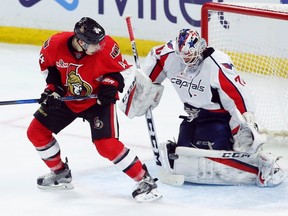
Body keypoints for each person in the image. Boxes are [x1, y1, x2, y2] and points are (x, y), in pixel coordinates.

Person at [119, 28, 288, 187]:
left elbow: (236, 94)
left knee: (210, 149)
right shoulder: (168, 55)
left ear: (200, 48)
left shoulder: (217, 63)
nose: (186, 60)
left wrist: (246, 120)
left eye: (189, 56)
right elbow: (154, 61)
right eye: (182, 56)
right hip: (193, 116)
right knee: (183, 154)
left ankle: (263, 167)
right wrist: (142, 90)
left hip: (219, 118)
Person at [26, 17, 162, 202]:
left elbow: (122, 70)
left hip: (98, 102)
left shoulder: (106, 48)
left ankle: (144, 180)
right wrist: (53, 91)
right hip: (68, 97)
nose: (101, 46)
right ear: (81, 42)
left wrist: (110, 84)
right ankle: (60, 173)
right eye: (95, 44)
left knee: (106, 145)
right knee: (36, 132)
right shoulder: (54, 45)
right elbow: (51, 72)